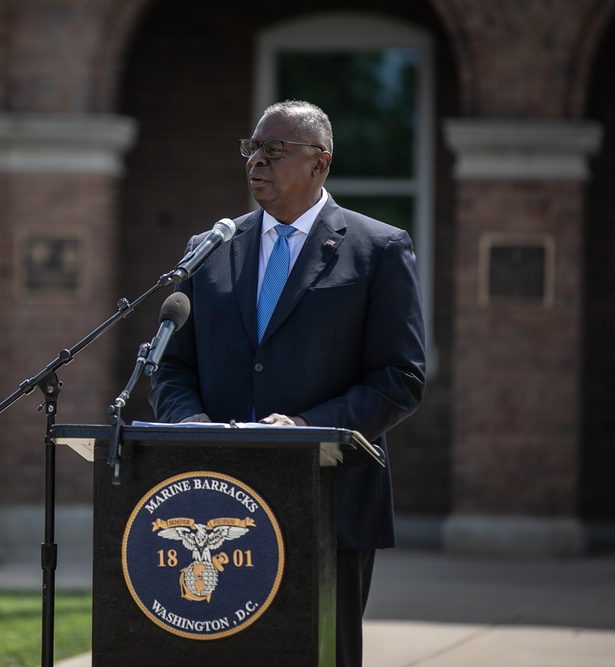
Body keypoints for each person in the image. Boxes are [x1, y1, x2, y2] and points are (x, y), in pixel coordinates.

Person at [148, 99, 427, 666]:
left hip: (330, 498)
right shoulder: (212, 248)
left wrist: (306, 428)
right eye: (252, 148)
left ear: (320, 163)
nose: (256, 161)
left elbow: (400, 377)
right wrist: (192, 424)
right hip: (218, 497)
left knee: (323, 652)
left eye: (274, 151)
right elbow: (172, 366)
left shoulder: (377, 249)